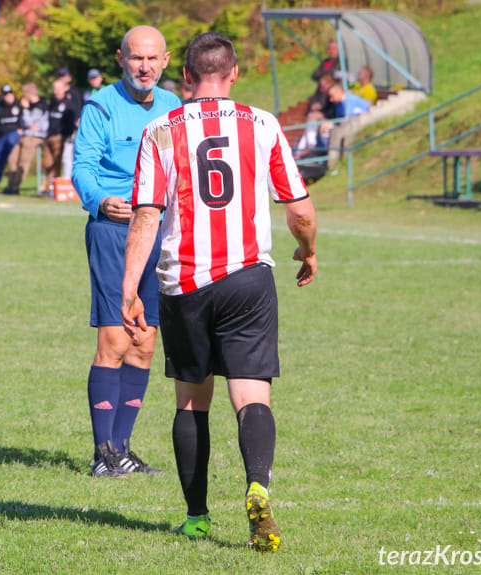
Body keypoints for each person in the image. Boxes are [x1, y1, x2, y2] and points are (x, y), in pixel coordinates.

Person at [121, 32, 317, 550]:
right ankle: (258, 485)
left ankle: (197, 517)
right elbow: (299, 210)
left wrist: (128, 287)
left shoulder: (161, 128)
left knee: (191, 401)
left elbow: (145, 213)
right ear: (234, 74)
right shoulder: (263, 123)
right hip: (248, 276)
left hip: (184, 280)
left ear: (184, 77)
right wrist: (309, 249)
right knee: (251, 392)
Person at [72, 25, 182, 477]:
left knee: (145, 343)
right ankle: (104, 455)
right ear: (121, 58)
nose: (145, 67)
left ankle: (122, 449)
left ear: (166, 60)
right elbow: (81, 166)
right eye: (137, 58)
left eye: (153, 59)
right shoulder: (100, 106)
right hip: (115, 232)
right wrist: (100, 199)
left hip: (161, 231)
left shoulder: (176, 107)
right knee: (116, 339)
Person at [4, 82, 48, 195]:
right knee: (12, 158)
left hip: (35, 136)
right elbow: (26, 123)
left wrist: (25, 109)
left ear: (29, 93)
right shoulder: (27, 105)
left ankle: (15, 187)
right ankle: (10, 185)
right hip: (24, 135)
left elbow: (29, 122)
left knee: (24, 161)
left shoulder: (40, 106)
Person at [0, 84, 23, 195]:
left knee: (10, 145)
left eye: (10, 94)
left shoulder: (19, 105)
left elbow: (26, 119)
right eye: (6, 95)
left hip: (13, 133)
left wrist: (21, 129)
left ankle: (12, 186)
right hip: (1, 136)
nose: (8, 97)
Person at [40, 79, 70, 194]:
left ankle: (53, 188)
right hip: (48, 136)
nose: (55, 91)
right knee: (47, 163)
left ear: (64, 89)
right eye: (54, 88)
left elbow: (71, 121)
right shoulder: (51, 103)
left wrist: (65, 135)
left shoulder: (68, 104)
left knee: (56, 164)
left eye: (58, 88)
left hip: (60, 137)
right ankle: (47, 187)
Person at [57, 67, 83, 180]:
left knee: (72, 156)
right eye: (61, 76)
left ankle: (70, 180)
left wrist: (78, 119)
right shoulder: (58, 94)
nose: (63, 79)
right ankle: (66, 180)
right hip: (62, 129)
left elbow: (79, 107)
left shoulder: (74, 93)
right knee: (64, 157)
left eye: (65, 76)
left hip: (74, 128)